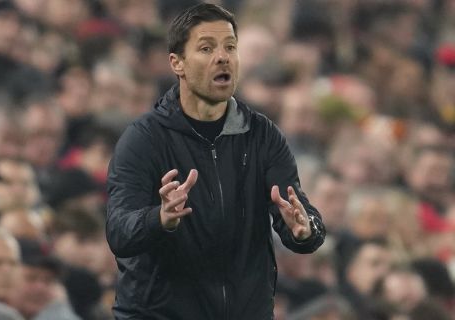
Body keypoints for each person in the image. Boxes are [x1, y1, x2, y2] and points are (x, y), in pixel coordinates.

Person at [106, 3, 325, 320]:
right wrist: (159, 217)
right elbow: (118, 231)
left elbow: (298, 214)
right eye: (206, 48)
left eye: (230, 47)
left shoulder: (263, 136)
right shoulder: (143, 140)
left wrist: (304, 231)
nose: (222, 57)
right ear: (177, 63)